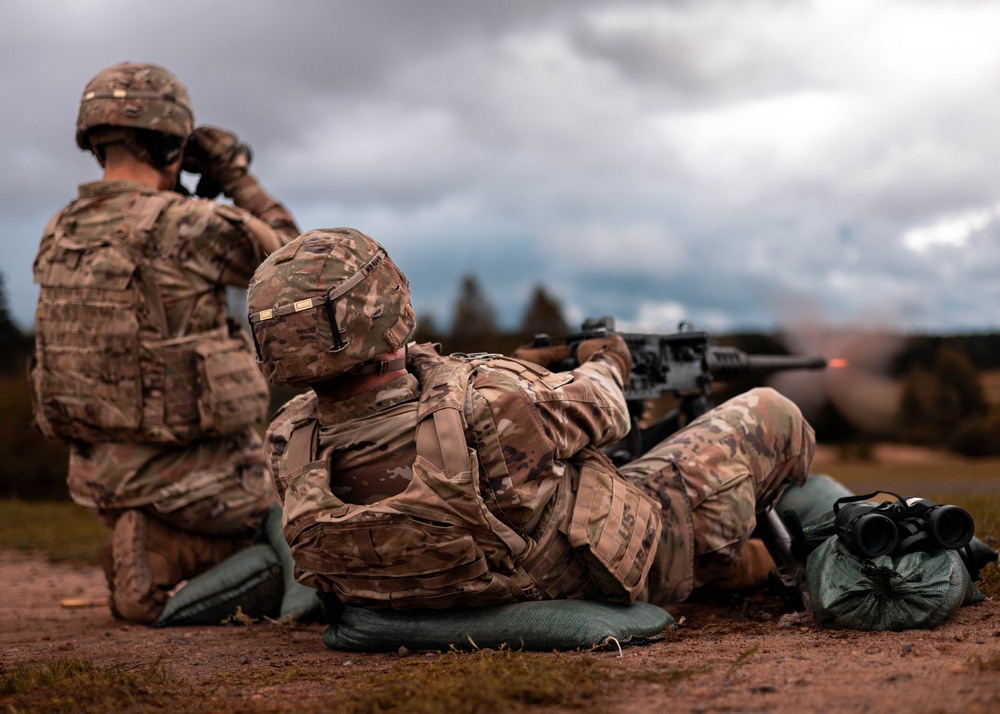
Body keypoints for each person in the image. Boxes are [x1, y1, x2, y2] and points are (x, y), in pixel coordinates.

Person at [247, 228, 816, 610]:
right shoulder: (490, 399)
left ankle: (750, 564)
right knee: (771, 412)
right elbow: (607, 410)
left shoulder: (288, 438)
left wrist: (518, 368)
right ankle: (775, 564)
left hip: (408, 594)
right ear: (386, 307)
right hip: (563, 583)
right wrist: (609, 360)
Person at [30, 62, 299, 623]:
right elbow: (300, 266)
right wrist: (235, 175)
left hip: (95, 478)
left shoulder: (60, 228)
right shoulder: (188, 224)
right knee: (306, 511)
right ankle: (185, 553)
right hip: (207, 481)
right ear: (170, 141)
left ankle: (164, 542)